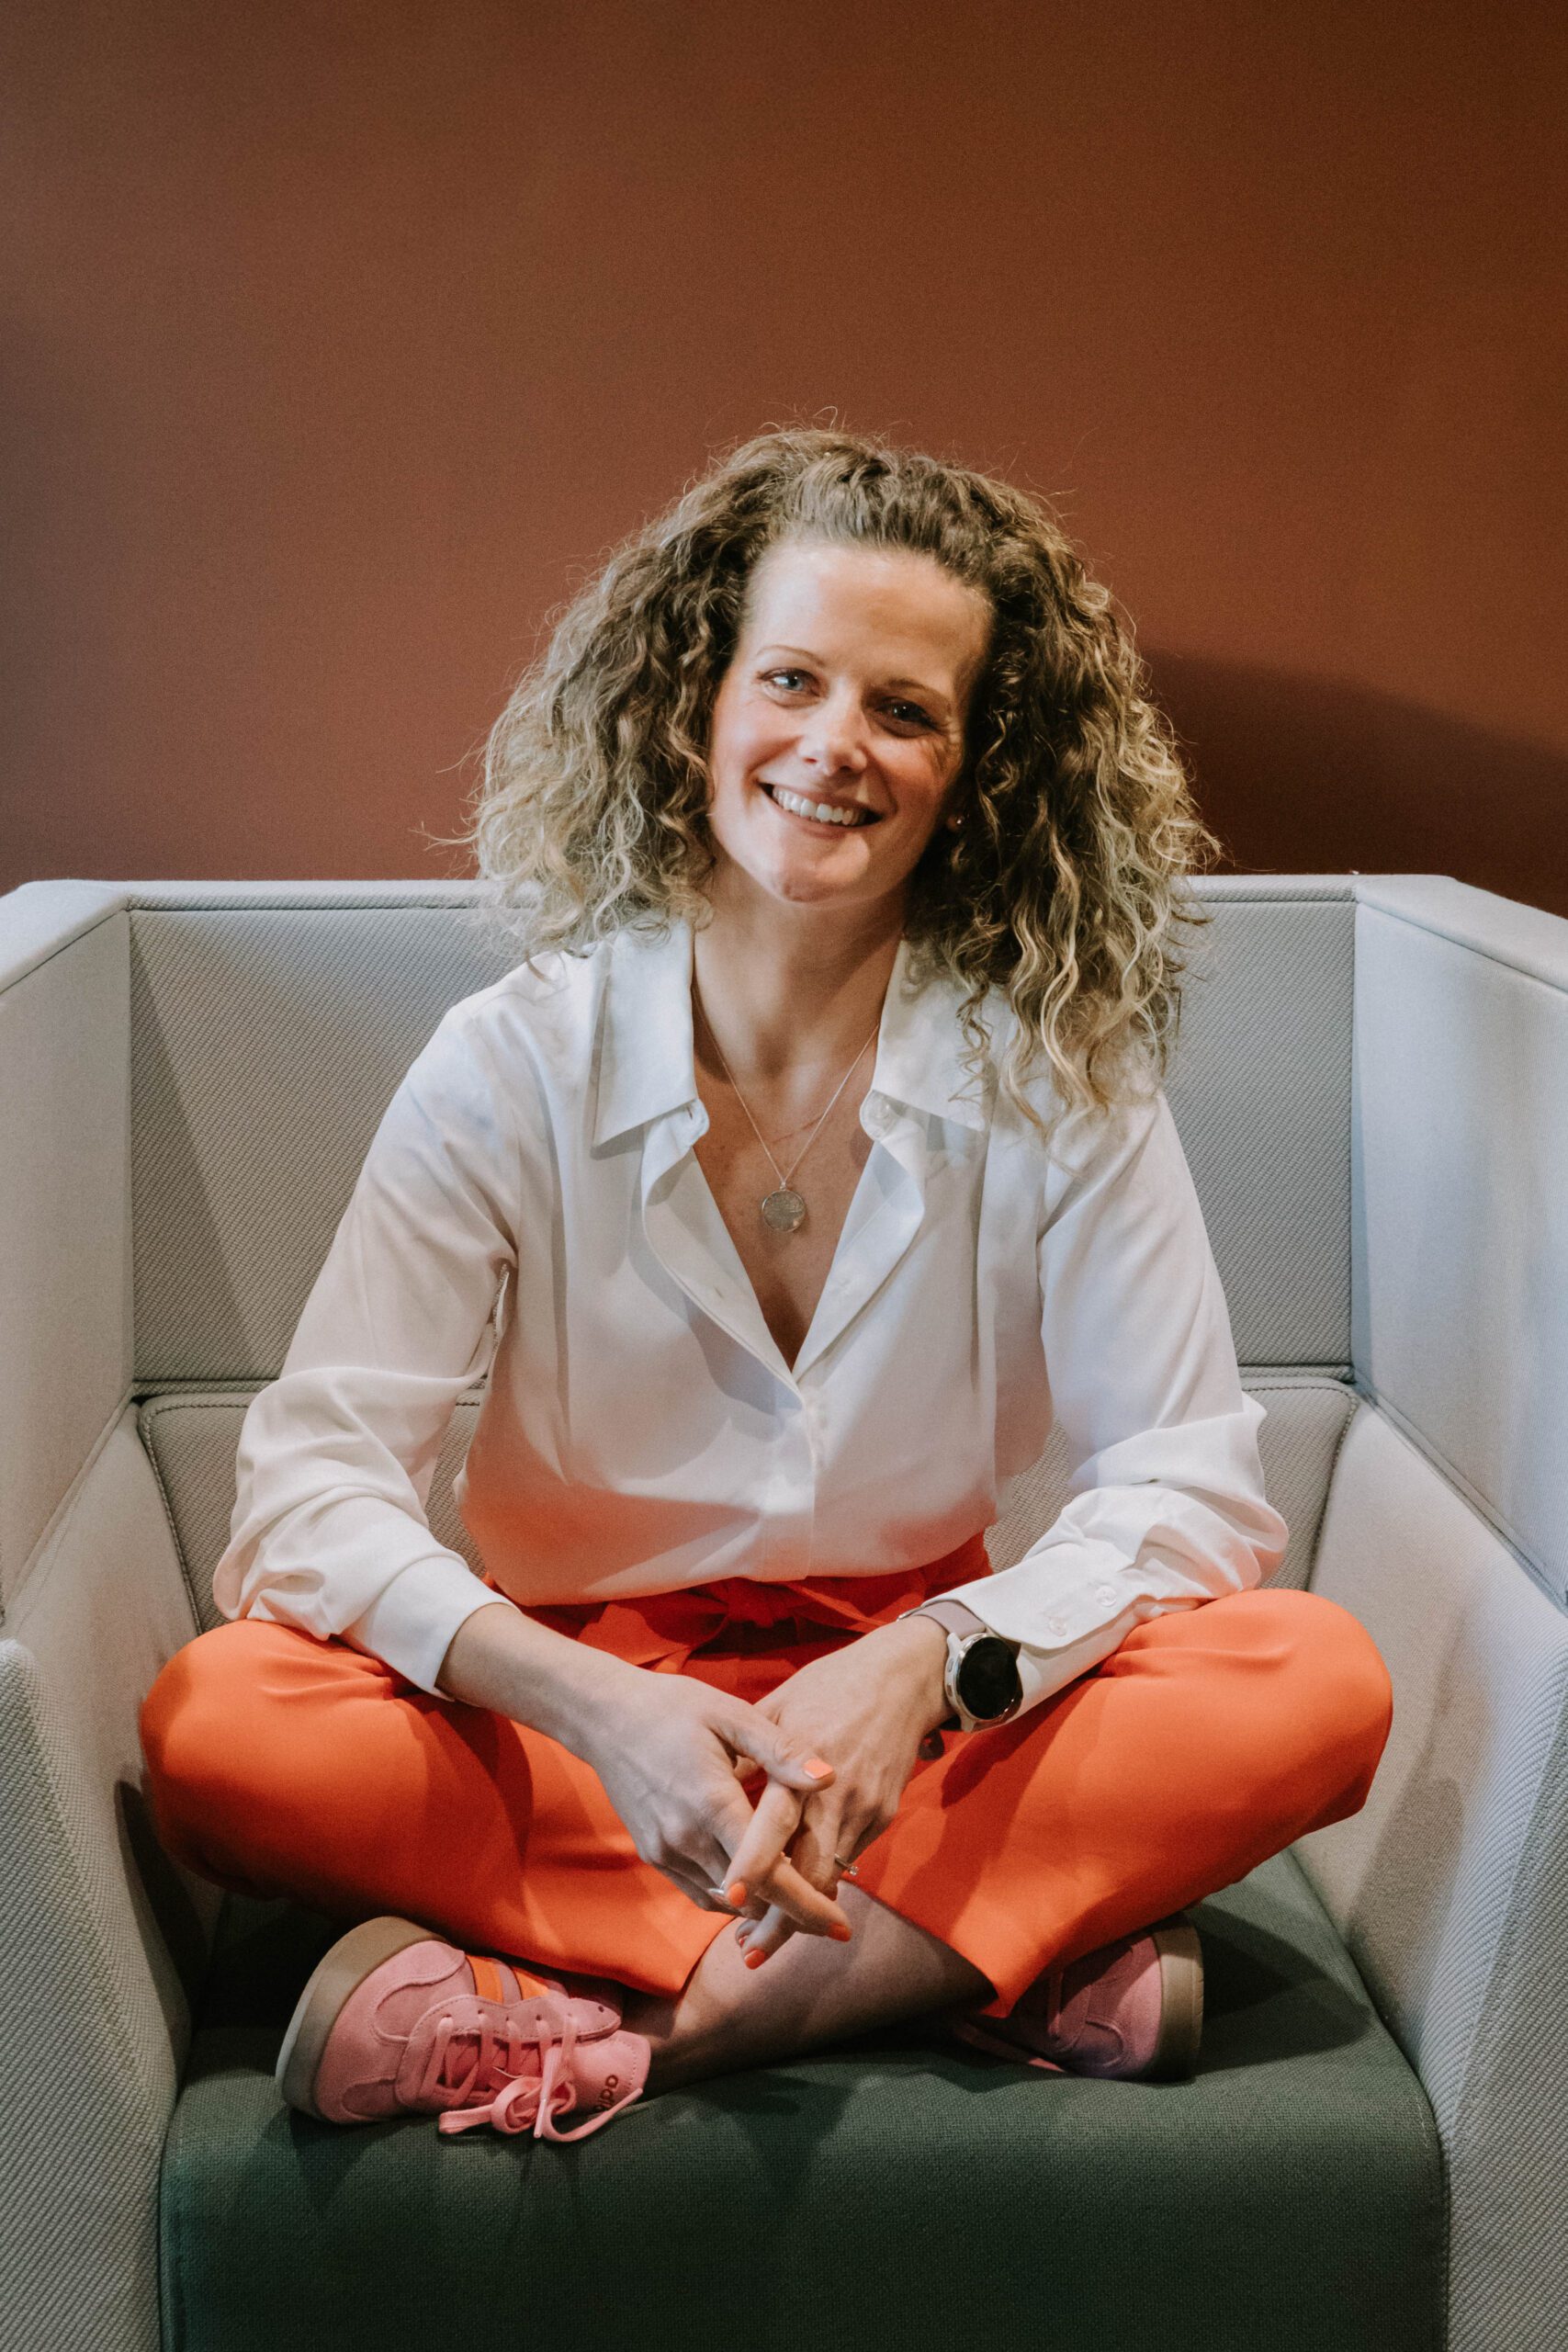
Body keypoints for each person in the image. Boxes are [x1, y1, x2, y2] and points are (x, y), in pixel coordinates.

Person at [139, 427, 1393, 2143]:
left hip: (928, 1727)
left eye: (906, 709)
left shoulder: (1063, 1077)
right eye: (789, 678)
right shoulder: (509, 1064)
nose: (833, 748)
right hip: (583, 1728)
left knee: (1313, 1681)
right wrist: (596, 1704)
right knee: (225, 1726)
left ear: (980, 771)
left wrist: (933, 1662)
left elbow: (1186, 1487)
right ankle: (977, 1964)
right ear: (695, 707)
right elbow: (307, 1490)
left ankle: (639, 2040)